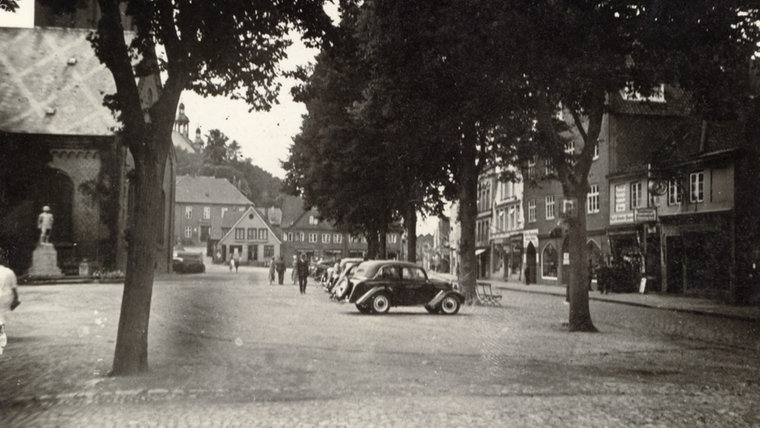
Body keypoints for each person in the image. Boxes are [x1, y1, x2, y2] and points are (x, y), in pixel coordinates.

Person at [0, 253, 20, 355]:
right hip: (6, 297)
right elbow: (14, 288)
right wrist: (16, 299)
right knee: (2, 314)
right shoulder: (9, 272)